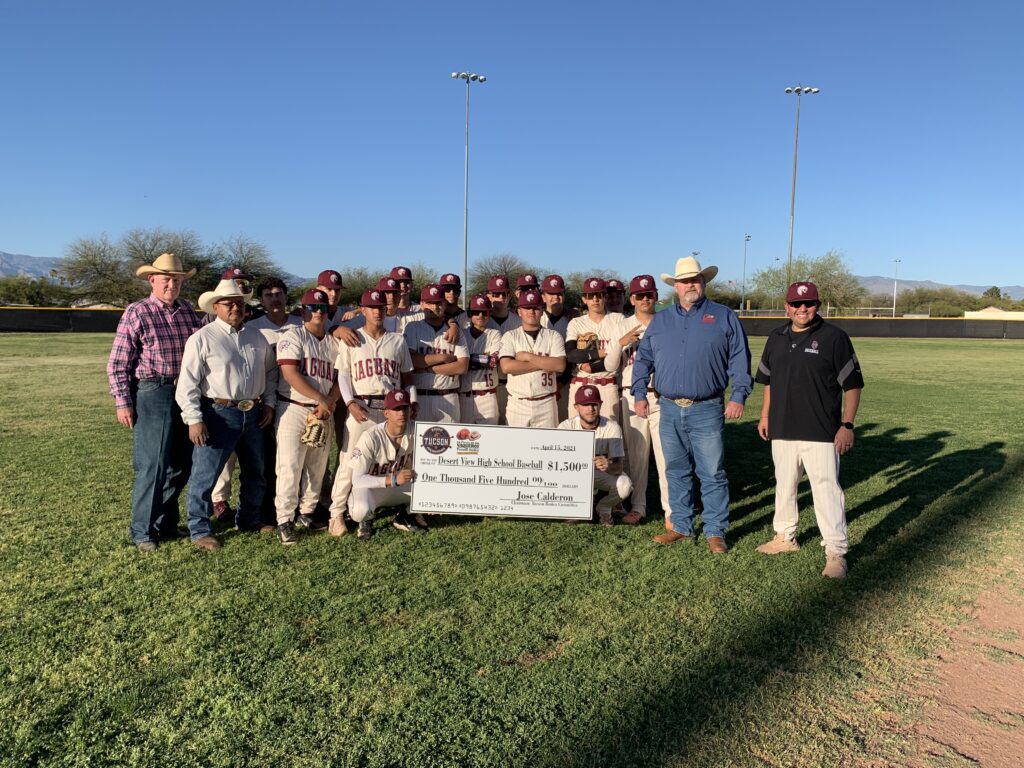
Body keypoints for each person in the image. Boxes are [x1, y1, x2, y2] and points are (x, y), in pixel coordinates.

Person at [631, 255, 751, 553]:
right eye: (684, 282)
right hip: (669, 406)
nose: (689, 286)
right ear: (676, 287)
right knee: (675, 470)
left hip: (707, 407)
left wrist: (738, 395)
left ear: (703, 282)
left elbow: (739, 359)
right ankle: (682, 526)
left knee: (711, 472)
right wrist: (638, 393)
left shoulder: (723, 316)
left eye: (694, 280)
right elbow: (643, 359)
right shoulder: (661, 320)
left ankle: (715, 530)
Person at [754, 281, 864, 579]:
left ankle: (836, 551)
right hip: (782, 426)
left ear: (818, 305)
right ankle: (785, 536)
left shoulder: (834, 337)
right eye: (796, 304)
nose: (803, 309)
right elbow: (769, 383)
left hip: (822, 430)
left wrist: (847, 425)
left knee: (827, 491)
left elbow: (853, 386)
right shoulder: (776, 337)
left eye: (809, 304)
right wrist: (765, 416)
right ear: (786, 306)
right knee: (784, 485)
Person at [107, 252, 202, 552]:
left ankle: (165, 522)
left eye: (177, 280)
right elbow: (118, 363)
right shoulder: (137, 312)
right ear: (152, 280)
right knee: (153, 465)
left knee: (182, 463)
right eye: (166, 279)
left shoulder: (188, 311)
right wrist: (123, 402)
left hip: (184, 391)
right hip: (153, 391)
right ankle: (142, 531)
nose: (172, 285)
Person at [175, 276, 278, 550]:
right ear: (215, 307)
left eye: (238, 303)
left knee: (256, 472)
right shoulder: (202, 338)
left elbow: (270, 373)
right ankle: (199, 530)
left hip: (253, 412)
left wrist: (268, 403)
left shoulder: (257, 337)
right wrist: (194, 419)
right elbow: (187, 383)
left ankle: (248, 519)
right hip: (219, 413)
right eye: (227, 304)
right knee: (205, 475)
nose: (234, 308)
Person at [212, 275, 301, 524]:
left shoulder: (300, 323)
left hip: (293, 400)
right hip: (260, 402)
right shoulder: (255, 328)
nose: (275, 298)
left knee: (292, 458)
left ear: (286, 296)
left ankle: (296, 506)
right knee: (262, 460)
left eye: (279, 293)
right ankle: (261, 510)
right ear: (261, 300)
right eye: (268, 294)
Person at [328, 288, 415, 534]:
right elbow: (344, 375)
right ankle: (336, 514)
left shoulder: (397, 339)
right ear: (362, 310)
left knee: (394, 460)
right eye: (371, 307)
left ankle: (388, 504)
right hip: (362, 407)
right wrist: (350, 403)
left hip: (390, 408)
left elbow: (407, 376)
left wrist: (413, 400)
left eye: (380, 307)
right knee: (349, 461)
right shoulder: (352, 338)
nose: (377, 311)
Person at [274, 289, 340, 545]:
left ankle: (308, 512)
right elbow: (291, 373)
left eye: (322, 307)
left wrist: (329, 402)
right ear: (303, 310)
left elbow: (340, 377)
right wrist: (321, 399)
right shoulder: (293, 336)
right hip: (294, 407)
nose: (318, 312)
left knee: (317, 466)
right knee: (290, 466)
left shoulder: (335, 341)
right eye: (312, 307)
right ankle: (284, 519)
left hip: (325, 410)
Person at [617, 274, 671, 526]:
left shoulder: (668, 322)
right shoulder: (622, 324)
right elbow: (611, 363)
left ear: (656, 296)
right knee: (636, 456)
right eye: (640, 295)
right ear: (632, 299)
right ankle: (638, 506)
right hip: (630, 393)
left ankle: (672, 509)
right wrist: (621, 343)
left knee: (666, 455)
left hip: (661, 394)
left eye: (649, 294)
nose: (645, 299)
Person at [348, 388, 419, 539]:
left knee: (433, 490)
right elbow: (357, 480)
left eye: (405, 408)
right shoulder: (370, 436)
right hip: (373, 489)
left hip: (400, 485)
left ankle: (404, 516)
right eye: (396, 409)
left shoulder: (417, 430)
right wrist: (392, 480)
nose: (402, 413)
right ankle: (366, 520)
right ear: (386, 413)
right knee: (360, 510)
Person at [558, 385, 632, 526]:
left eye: (594, 404)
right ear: (576, 407)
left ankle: (604, 507)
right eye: (585, 404)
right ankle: (574, 509)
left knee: (625, 485)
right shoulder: (566, 427)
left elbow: (619, 466)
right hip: (574, 475)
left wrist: (609, 465)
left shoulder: (612, 427)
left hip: (599, 474)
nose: (590, 409)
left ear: (600, 405)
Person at [499, 289, 567, 428]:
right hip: (517, 403)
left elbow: (560, 365)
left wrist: (527, 357)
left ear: (542, 311)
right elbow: (506, 367)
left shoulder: (553, 336)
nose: (531, 311)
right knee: (516, 448)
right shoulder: (510, 336)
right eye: (527, 308)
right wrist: (545, 363)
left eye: (535, 308)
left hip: (546, 403)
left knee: (547, 447)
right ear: (519, 311)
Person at [403, 284, 469, 424]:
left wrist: (427, 368)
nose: (435, 307)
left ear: (444, 303)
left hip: (449, 396)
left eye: (438, 303)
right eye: (430, 303)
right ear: (421, 304)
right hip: (421, 396)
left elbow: (462, 367)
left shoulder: (455, 331)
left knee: (450, 443)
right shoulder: (413, 327)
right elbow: (411, 361)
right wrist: (443, 358)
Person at [566, 276, 623, 422]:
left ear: (605, 297)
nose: (595, 299)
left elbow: (619, 356)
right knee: (578, 435)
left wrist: (589, 362)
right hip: (581, 383)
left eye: (599, 295)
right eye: (591, 296)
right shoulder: (576, 322)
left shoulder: (618, 319)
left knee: (609, 434)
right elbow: (572, 355)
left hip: (608, 385)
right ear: (584, 299)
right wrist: (604, 352)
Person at [460, 294, 502, 425]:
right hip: (463, 396)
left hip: (488, 396)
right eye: (476, 312)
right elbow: (456, 362)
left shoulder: (495, 334)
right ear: (469, 314)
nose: (480, 316)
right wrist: (481, 359)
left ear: (489, 314)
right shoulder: (462, 334)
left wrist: (468, 360)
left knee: (490, 439)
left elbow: (493, 361)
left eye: (484, 312)